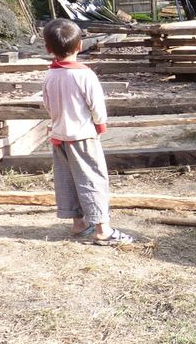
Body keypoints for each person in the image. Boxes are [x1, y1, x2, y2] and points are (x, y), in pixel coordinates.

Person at [42, 18, 134, 246]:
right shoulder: (84, 75)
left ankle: (79, 223)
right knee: (93, 178)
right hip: (83, 135)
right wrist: (99, 123)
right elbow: (96, 105)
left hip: (59, 135)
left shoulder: (50, 75)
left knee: (68, 179)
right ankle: (103, 229)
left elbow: (47, 104)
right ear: (80, 46)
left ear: (48, 48)